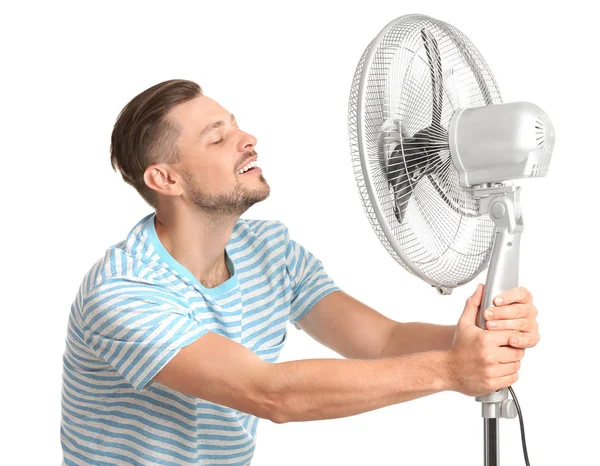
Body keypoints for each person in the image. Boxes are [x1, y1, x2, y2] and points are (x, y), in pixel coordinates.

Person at [60, 79, 540, 465]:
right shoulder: (125, 291)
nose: (247, 140)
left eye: (237, 126)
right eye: (218, 137)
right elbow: (270, 395)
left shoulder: (270, 251)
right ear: (165, 178)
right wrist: (452, 369)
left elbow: (382, 341)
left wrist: (478, 339)